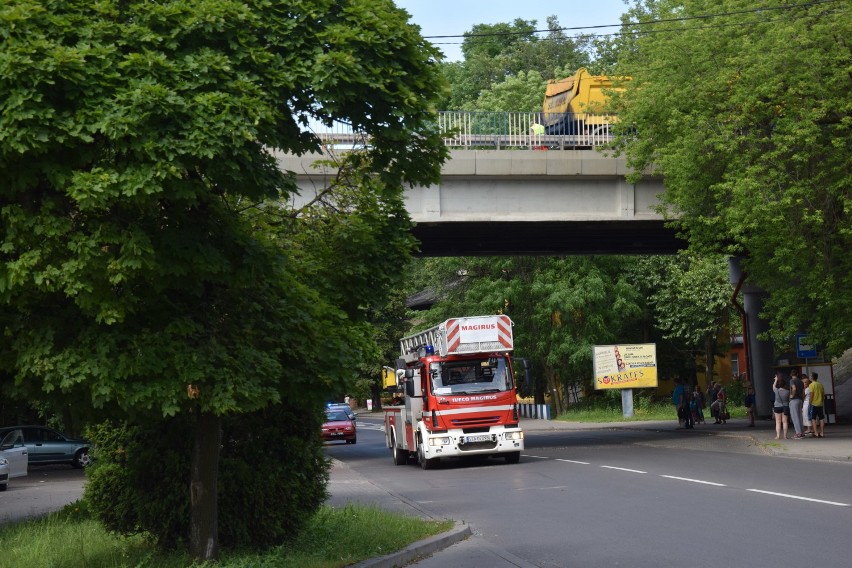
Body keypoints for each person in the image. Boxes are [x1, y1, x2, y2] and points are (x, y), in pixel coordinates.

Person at [772, 373, 790, 440]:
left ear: (779, 385)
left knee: (778, 422)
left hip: (777, 407)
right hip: (785, 407)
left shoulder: (776, 390)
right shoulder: (788, 392)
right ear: (785, 385)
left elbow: (773, 386)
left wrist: (776, 380)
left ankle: (778, 436)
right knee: (785, 422)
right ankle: (785, 436)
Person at [788, 369, 805, 439]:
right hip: (800, 400)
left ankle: (798, 433)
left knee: (795, 417)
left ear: (791, 375)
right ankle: (802, 432)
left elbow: (794, 388)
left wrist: (792, 395)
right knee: (800, 417)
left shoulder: (792, 381)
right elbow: (803, 392)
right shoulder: (801, 382)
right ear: (797, 374)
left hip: (794, 400)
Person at [808, 372, 826, 437]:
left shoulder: (811, 385)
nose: (809, 377)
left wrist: (809, 403)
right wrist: (821, 400)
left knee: (813, 418)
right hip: (820, 404)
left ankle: (815, 432)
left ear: (812, 377)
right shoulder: (820, 384)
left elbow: (811, 395)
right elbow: (823, 394)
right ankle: (822, 433)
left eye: (810, 376)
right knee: (821, 418)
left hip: (814, 404)